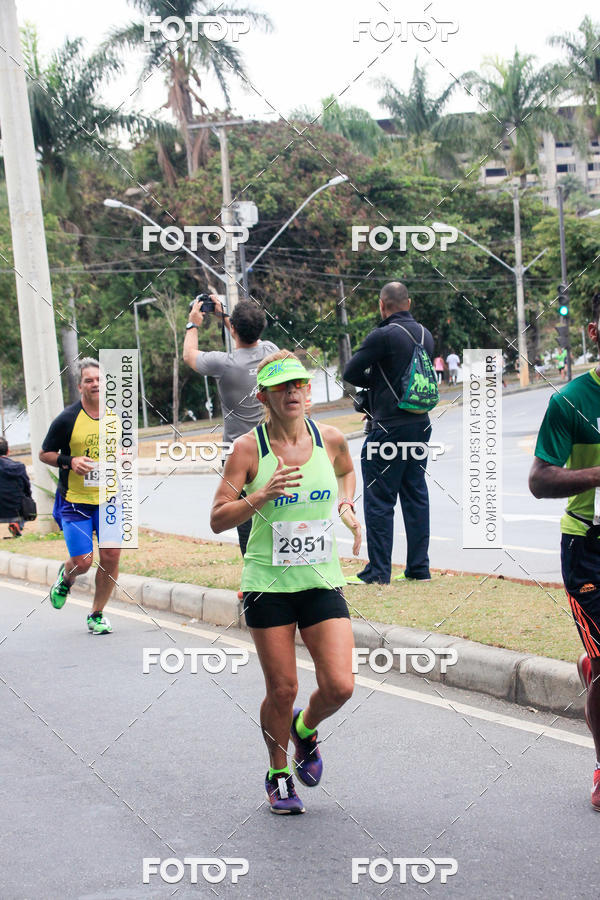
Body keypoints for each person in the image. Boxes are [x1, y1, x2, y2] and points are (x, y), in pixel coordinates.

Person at [210, 350, 361, 814]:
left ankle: (305, 730)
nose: (293, 392)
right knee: (282, 689)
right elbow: (218, 518)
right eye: (282, 387)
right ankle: (278, 774)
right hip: (268, 585)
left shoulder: (330, 439)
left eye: (300, 385)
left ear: (308, 393)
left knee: (340, 685)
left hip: (319, 579)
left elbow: (346, 473)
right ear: (264, 397)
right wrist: (260, 495)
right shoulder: (248, 449)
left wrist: (346, 506)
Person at [529, 291, 600, 810]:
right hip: (589, 548)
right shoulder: (570, 401)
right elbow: (540, 479)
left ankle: (591, 665)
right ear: (594, 332)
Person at [343, 281, 434, 585]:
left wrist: (374, 385)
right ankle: (419, 568)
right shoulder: (425, 335)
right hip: (420, 425)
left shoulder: (382, 335)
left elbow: (350, 372)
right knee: (415, 494)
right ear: (410, 303)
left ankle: (379, 571)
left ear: (382, 305)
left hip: (388, 428)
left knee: (380, 499)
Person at [183, 297, 278, 555]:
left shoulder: (222, 363)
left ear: (232, 329)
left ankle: (253, 582)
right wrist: (227, 315)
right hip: (271, 449)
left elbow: (189, 354)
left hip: (238, 456)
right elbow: (248, 334)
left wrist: (193, 324)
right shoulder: (271, 352)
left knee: (243, 514)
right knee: (274, 513)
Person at [39, 358, 120, 634]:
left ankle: (96, 614)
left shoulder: (115, 415)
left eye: (98, 379)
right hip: (75, 501)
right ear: (80, 386)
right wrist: (70, 461)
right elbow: (45, 454)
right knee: (83, 562)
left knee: (110, 556)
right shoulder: (67, 419)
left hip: (109, 498)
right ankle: (66, 579)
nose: (95, 384)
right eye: (89, 380)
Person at [0, 436, 32, 537]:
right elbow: (27, 487)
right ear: (8, 451)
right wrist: (29, 498)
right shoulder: (19, 466)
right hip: (16, 509)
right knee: (25, 500)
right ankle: (17, 524)